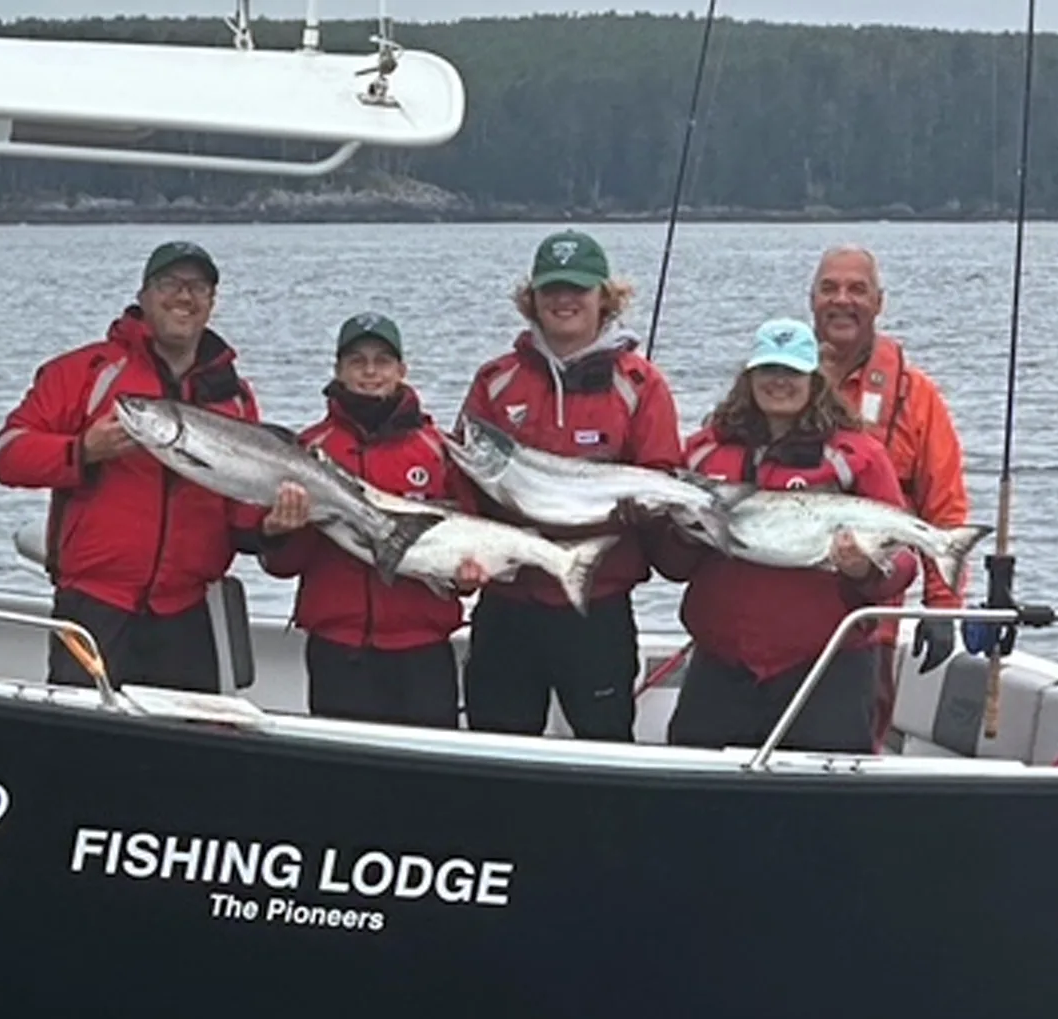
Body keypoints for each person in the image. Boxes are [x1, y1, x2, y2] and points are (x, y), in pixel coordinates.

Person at [0, 240, 297, 692]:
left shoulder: (232, 394)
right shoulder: (87, 372)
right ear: (144, 296)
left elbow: (239, 508)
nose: (184, 297)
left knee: (185, 748)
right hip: (94, 604)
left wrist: (274, 527)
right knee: (83, 739)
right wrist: (83, 451)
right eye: (169, 284)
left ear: (212, 302)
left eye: (198, 287)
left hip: (186, 613)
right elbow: (7, 454)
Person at [648, 317, 918, 753]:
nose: (779, 382)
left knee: (822, 806)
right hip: (720, 665)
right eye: (769, 370)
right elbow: (672, 566)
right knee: (701, 800)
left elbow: (903, 562)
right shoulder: (703, 452)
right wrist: (682, 534)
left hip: (828, 667)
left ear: (814, 379)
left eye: (792, 372)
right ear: (749, 377)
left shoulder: (859, 456)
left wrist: (864, 570)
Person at [455, 229, 683, 742]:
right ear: (531, 298)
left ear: (605, 297)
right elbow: (464, 491)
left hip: (599, 607)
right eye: (552, 288)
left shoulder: (641, 384)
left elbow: (662, 472)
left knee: (606, 749)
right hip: (508, 604)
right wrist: (463, 561)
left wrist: (646, 509)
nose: (564, 300)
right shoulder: (494, 381)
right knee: (496, 752)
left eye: (578, 288)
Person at [256, 312, 490, 727]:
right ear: (338, 370)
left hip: (422, 649)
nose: (369, 372)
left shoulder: (438, 450)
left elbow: (468, 536)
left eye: (382, 361)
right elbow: (283, 565)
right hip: (338, 649)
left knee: (427, 777)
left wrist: (464, 577)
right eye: (357, 361)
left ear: (402, 370)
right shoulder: (308, 450)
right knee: (344, 783)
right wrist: (278, 533)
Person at [810, 244, 970, 748]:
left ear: (879, 303)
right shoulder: (773, 384)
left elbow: (944, 506)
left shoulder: (916, 397)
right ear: (811, 300)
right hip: (772, 613)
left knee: (852, 749)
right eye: (830, 288)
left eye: (857, 289)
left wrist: (942, 607)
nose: (842, 300)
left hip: (867, 623)